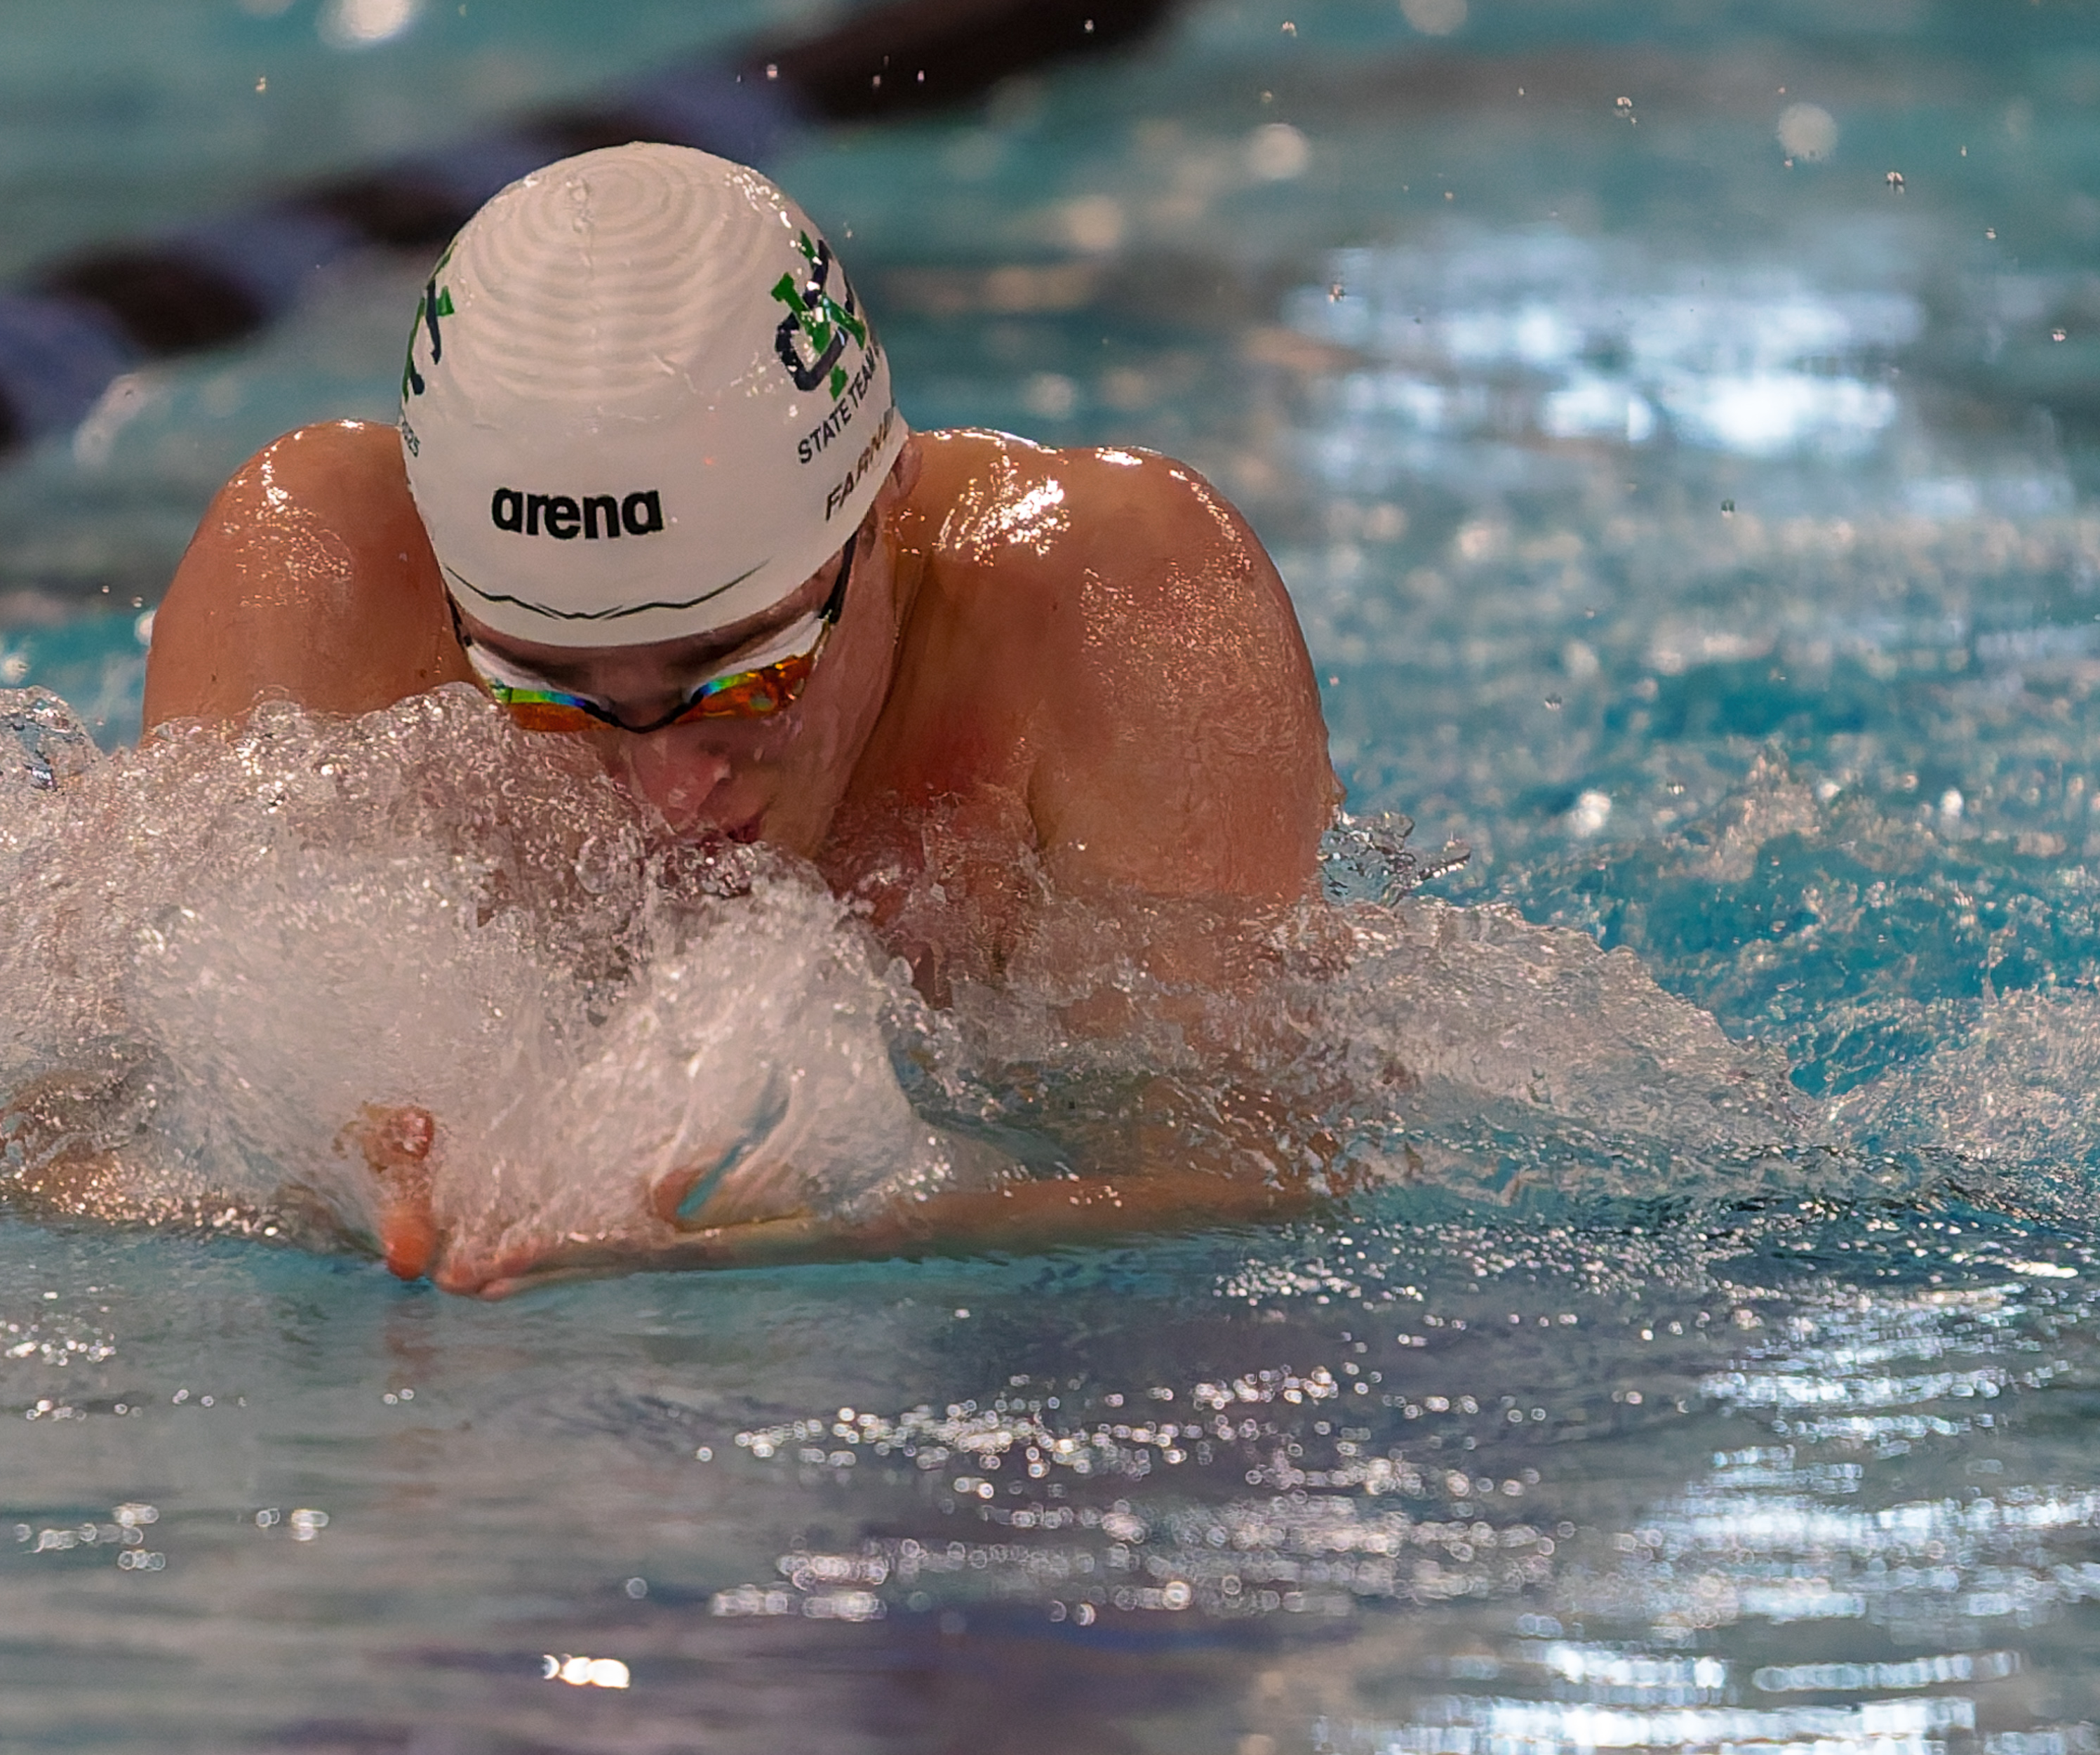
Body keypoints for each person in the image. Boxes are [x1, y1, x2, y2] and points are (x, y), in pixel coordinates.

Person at [138, 143, 1338, 1291]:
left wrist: (834, 1224)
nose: (667, 791)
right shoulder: (322, 584)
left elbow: (1255, 1175)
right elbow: (61, 1140)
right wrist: (290, 1161)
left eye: (745, 676)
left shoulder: (1115, 606)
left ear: (881, 500)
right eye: (549, 694)